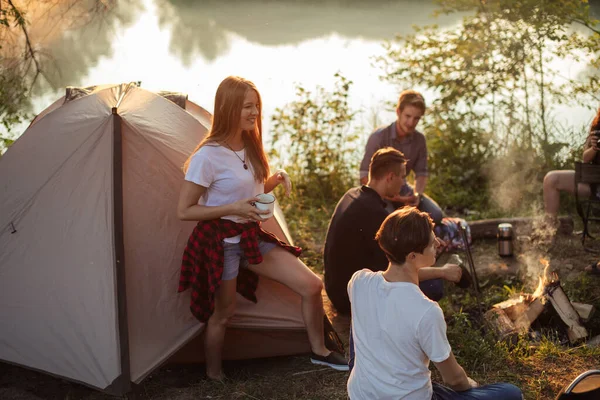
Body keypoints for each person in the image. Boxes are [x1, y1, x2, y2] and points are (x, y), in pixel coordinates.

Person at [177, 76, 348, 380]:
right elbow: (185, 210)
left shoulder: (249, 144)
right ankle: (214, 377)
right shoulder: (207, 156)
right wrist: (232, 209)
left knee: (311, 285)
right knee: (224, 313)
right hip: (221, 242)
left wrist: (275, 179)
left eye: (256, 106)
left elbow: (250, 193)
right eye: (247, 106)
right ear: (228, 107)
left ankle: (319, 351)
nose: (254, 112)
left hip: (251, 238)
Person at [347, 207, 523, 400]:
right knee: (512, 393)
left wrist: (441, 271)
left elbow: (401, 274)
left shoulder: (359, 281)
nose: (438, 243)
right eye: (432, 243)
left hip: (362, 394)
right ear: (412, 256)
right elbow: (454, 380)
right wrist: (468, 384)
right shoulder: (426, 311)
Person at [325, 147, 462, 316]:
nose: (404, 183)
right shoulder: (375, 214)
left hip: (336, 288)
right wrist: (443, 271)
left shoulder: (353, 194)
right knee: (434, 286)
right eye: (403, 177)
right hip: (350, 300)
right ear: (390, 177)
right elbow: (399, 271)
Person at [359, 90, 443, 223]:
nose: (411, 123)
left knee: (436, 215)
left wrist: (417, 195)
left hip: (401, 188)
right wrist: (396, 199)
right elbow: (364, 176)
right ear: (398, 112)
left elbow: (421, 173)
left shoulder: (419, 140)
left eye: (416, 118)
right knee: (392, 221)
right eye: (407, 116)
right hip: (378, 191)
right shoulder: (379, 137)